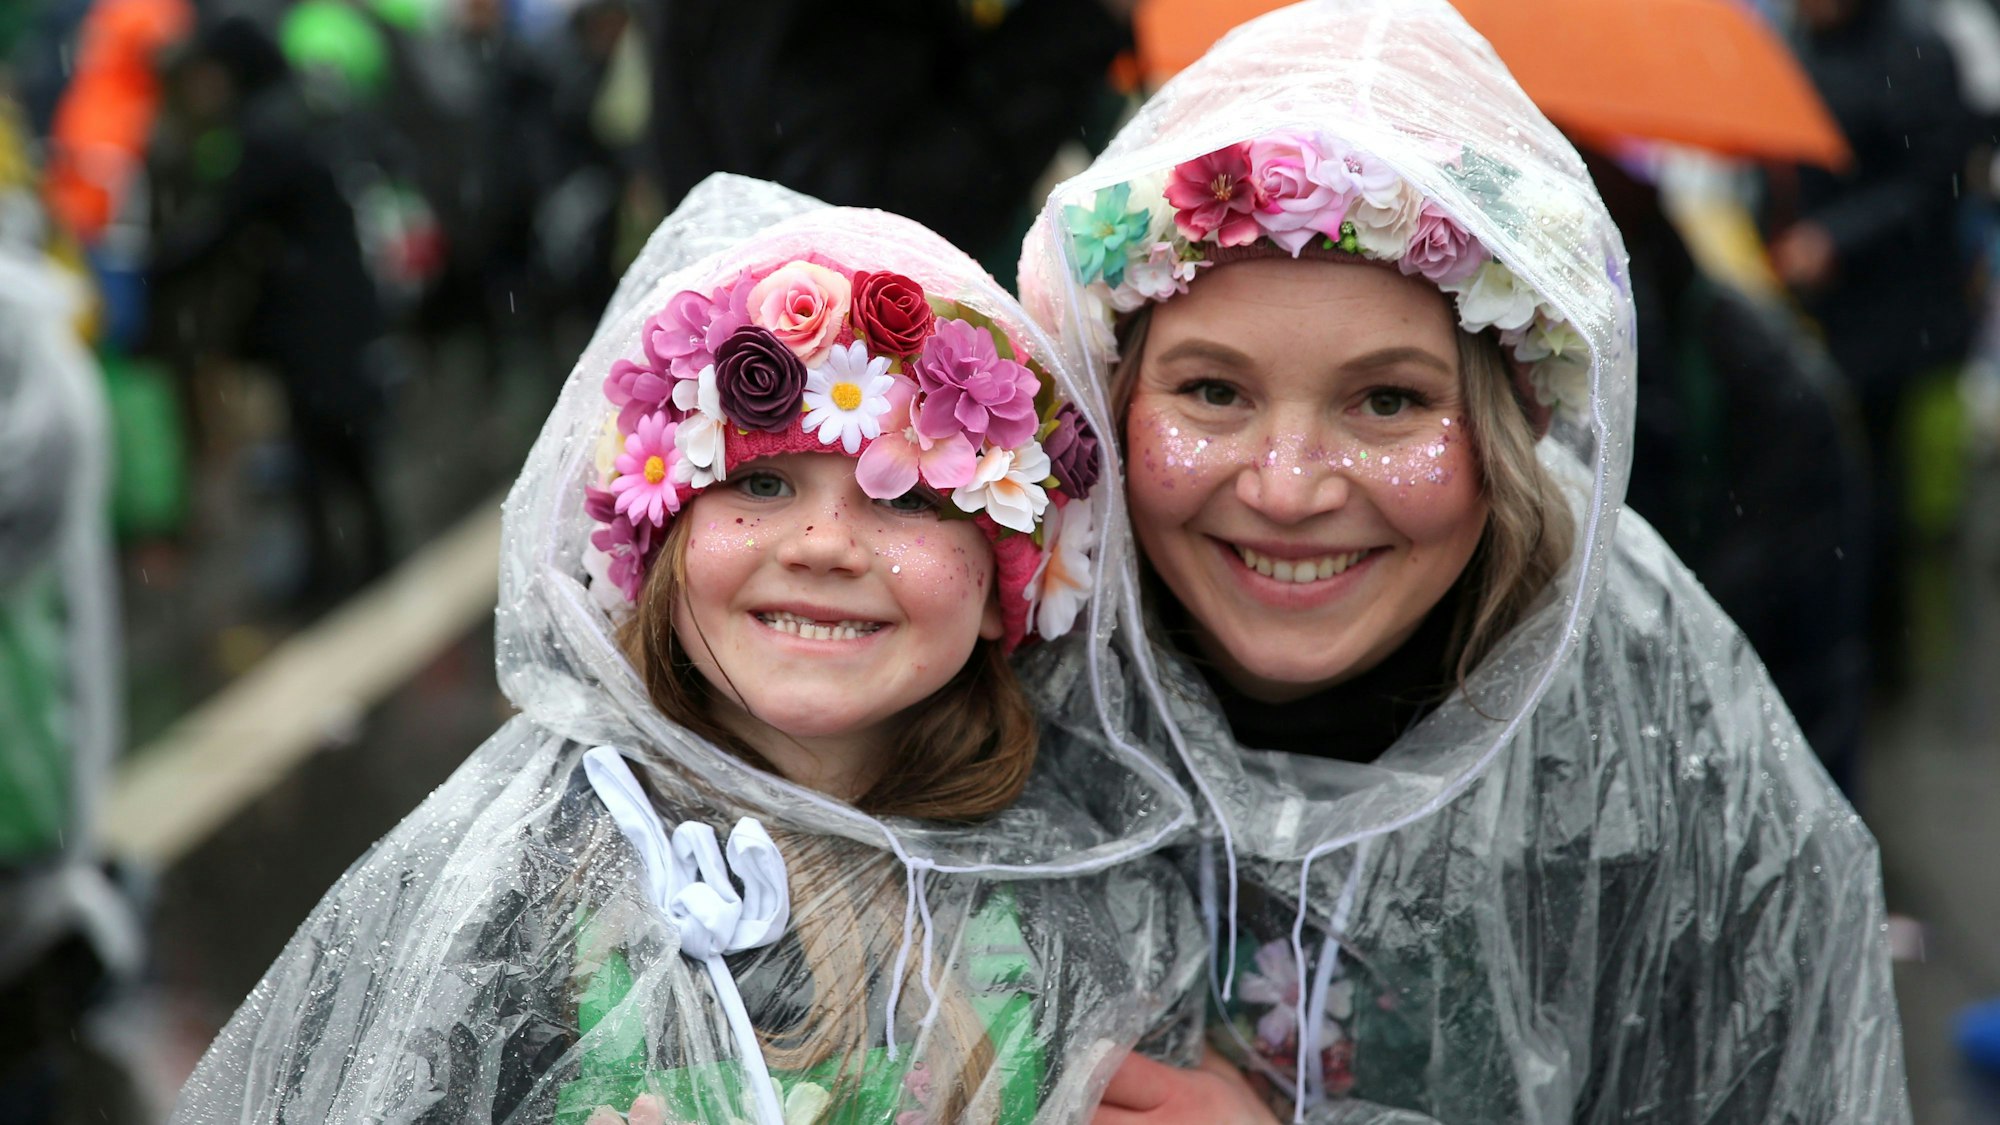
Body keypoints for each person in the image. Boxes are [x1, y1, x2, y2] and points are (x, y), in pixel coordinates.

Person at [1016, 1, 1909, 1120]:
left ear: (1503, 428)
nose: (1287, 488)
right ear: (1112, 399)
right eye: (1211, 393)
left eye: (1387, 401)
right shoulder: (1005, 670)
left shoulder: (1654, 722)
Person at [167, 174, 1205, 1124]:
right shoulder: (518, 903)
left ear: (1004, 586)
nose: (824, 546)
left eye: (913, 496)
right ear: (659, 542)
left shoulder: (1077, 903)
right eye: (759, 485)